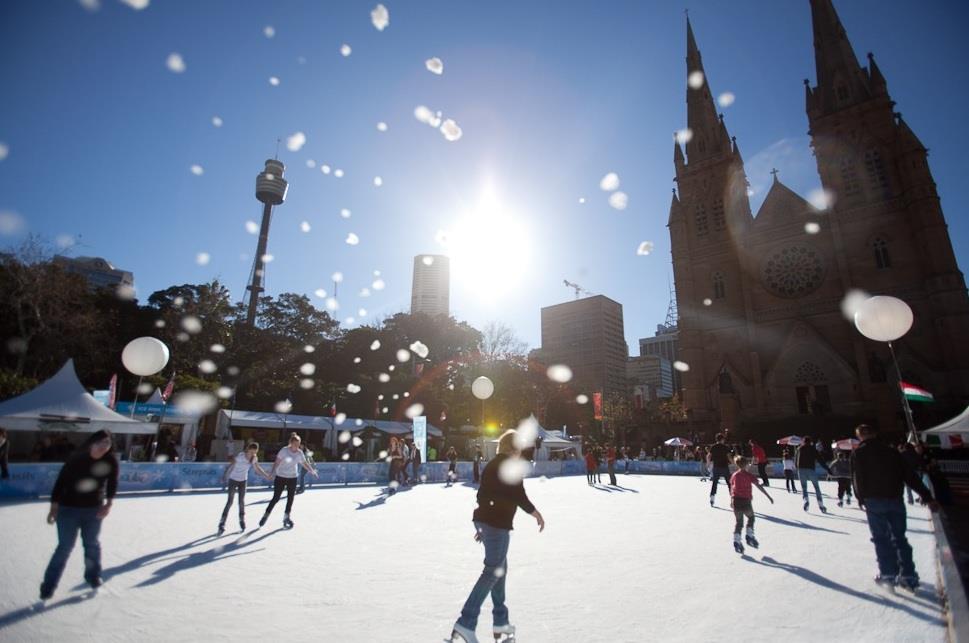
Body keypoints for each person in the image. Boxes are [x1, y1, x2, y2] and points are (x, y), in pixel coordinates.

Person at [450, 429, 545, 643]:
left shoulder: (492, 465)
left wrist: (481, 525)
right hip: (497, 524)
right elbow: (518, 495)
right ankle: (466, 623)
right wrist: (536, 514)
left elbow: (482, 495)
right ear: (514, 448)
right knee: (492, 572)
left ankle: (500, 622)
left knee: (500, 571)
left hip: (487, 522)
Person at [852, 424, 938, 590]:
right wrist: (927, 496)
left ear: (860, 436)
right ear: (875, 434)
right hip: (894, 498)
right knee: (899, 538)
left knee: (881, 538)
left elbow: (858, 478)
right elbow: (909, 475)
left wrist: (861, 498)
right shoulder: (892, 452)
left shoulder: (859, 453)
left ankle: (888, 574)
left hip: (874, 501)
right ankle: (909, 576)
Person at [40, 430, 119, 599]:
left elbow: (112, 483)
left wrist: (109, 504)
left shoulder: (110, 460)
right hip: (68, 509)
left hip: (94, 510)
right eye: (101, 442)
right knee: (64, 547)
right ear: (92, 442)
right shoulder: (77, 458)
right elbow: (60, 482)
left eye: (108, 443)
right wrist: (54, 507)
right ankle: (48, 585)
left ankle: (92, 576)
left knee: (92, 544)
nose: (104, 446)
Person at [259, 433, 318, 529]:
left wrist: (312, 470)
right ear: (291, 443)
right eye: (295, 444)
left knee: (290, 498)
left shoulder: (299, 453)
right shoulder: (284, 451)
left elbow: (304, 463)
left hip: (292, 478)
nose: (297, 446)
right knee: (276, 498)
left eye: (298, 445)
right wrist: (272, 473)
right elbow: (277, 462)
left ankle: (286, 517)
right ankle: (266, 514)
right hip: (281, 477)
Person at [219, 442, 270, 533]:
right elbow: (231, 465)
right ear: (248, 449)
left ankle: (241, 520)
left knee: (241, 502)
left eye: (255, 452)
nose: (253, 454)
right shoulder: (241, 456)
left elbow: (257, 469)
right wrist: (225, 476)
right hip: (233, 480)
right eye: (251, 451)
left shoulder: (254, 458)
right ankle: (222, 523)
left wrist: (266, 475)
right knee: (230, 502)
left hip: (243, 481)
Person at [729, 456, 774, 554]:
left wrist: (731, 500)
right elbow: (759, 486)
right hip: (746, 501)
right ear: (745, 464)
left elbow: (732, 489)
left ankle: (736, 540)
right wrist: (768, 496)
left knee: (739, 522)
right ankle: (749, 535)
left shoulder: (734, 475)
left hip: (736, 501)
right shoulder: (749, 475)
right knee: (751, 518)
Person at [796, 436, 831, 512]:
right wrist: (827, 469)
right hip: (811, 470)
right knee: (816, 487)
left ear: (804, 442)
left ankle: (806, 501)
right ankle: (821, 504)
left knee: (804, 487)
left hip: (801, 470)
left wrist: (798, 468)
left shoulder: (799, 449)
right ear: (810, 442)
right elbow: (820, 460)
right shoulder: (813, 449)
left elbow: (796, 461)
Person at [708, 434, 732, 506]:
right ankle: (732, 498)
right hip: (724, 466)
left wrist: (708, 464)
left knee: (715, 482)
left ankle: (712, 497)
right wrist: (733, 462)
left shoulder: (713, 447)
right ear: (722, 439)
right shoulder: (725, 447)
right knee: (729, 483)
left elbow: (709, 456)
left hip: (716, 467)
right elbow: (728, 456)